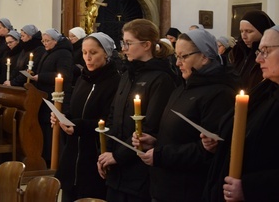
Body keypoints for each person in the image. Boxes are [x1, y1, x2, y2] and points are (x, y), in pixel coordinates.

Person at [132, 29, 240, 202]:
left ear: (204, 57)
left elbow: (208, 150)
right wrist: (155, 141)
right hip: (164, 184)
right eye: (177, 56)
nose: (177, 63)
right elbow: (179, 134)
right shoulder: (183, 87)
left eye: (184, 57)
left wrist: (161, 155)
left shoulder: (220, 94)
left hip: (189, 189)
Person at [97, 19, 178, 202]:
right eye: (123, 43)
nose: (124, 48)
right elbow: (112, 115)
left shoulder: (161, 79)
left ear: (146, 45)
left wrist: (117, 156)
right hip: (116, 169)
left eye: (128, 43)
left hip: (138, 171)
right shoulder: (127, 74)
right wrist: (105, 154)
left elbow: (148, 127)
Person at [202, 25, 279, 201]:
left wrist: (251, 187)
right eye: (259, 51)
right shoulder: (264, 91)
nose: (258, 59)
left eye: (266, 51)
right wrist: (221, 140)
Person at [51, 32, 120, 201]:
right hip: (72, 155)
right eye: (84, 52)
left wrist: (77, 125)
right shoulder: (83, 79)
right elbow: (75, 111)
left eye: (93, 53)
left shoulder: (115, 81)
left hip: (93, 156)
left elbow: (108, 122)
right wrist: (62, 117)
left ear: (106, 53)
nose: (87, 58)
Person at [28, 28, 73, 166]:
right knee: (47, 129)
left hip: (57, 96)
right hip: (45, 96)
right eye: (43, 41)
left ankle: (56, 161)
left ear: (55, 40)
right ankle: (47, 159)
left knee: (54, 130)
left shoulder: (64, 54)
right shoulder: (48, 52)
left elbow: (63, 75)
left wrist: (40, 77)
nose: (45, 43)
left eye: (47, 41)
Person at [229, 10, 275, 92]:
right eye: (241, 31)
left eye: (249, 31)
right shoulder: (237, 52)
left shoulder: (271, 56)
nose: (244, 36)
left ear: (262, 31)